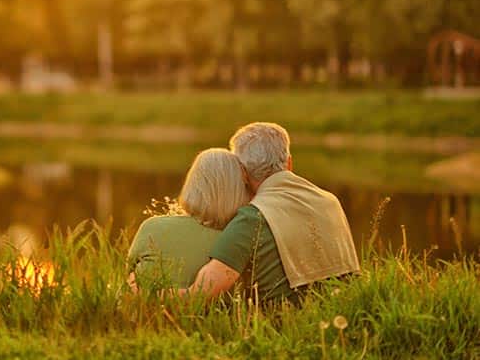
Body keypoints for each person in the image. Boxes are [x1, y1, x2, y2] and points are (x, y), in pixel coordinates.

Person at [183, 122, 360, 302]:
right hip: (340, 313)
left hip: (281, 324)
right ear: (289, 163)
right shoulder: (330, 201)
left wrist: (156, 294)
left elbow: (201, 295)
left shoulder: (253, 218)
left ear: (242, 173)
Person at [127, 148, 251, 290]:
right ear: (239, 189)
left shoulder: (152, 226)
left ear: (192, 184)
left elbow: (129, 272)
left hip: (145, 309)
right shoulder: (241, 239)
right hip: (211, 310)